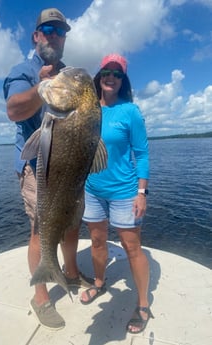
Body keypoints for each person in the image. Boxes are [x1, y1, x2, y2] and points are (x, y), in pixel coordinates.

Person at [3, 8, 93, 331]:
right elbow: (14, 110)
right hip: (36, 166)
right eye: (49, 29)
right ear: (36, 37)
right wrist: (42, 90)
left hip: (70, 167)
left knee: (71, 225)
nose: (56, 35)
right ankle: (40, 294)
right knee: (41, 230)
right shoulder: (24, 71)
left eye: (61, 30)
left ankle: (69, 272)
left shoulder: (70, 75)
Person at [80, 53, 154, 334]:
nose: (111, 76)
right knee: (97, 243)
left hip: (124, 191)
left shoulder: (130, 111)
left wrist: (142, 192)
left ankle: (144, 303)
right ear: (99, 77)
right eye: (106, 71)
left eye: (118, 73)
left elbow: (142, 154)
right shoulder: (87, 110)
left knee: (131, 247)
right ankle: (99, 283)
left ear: (123, 80)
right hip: (92, 190)